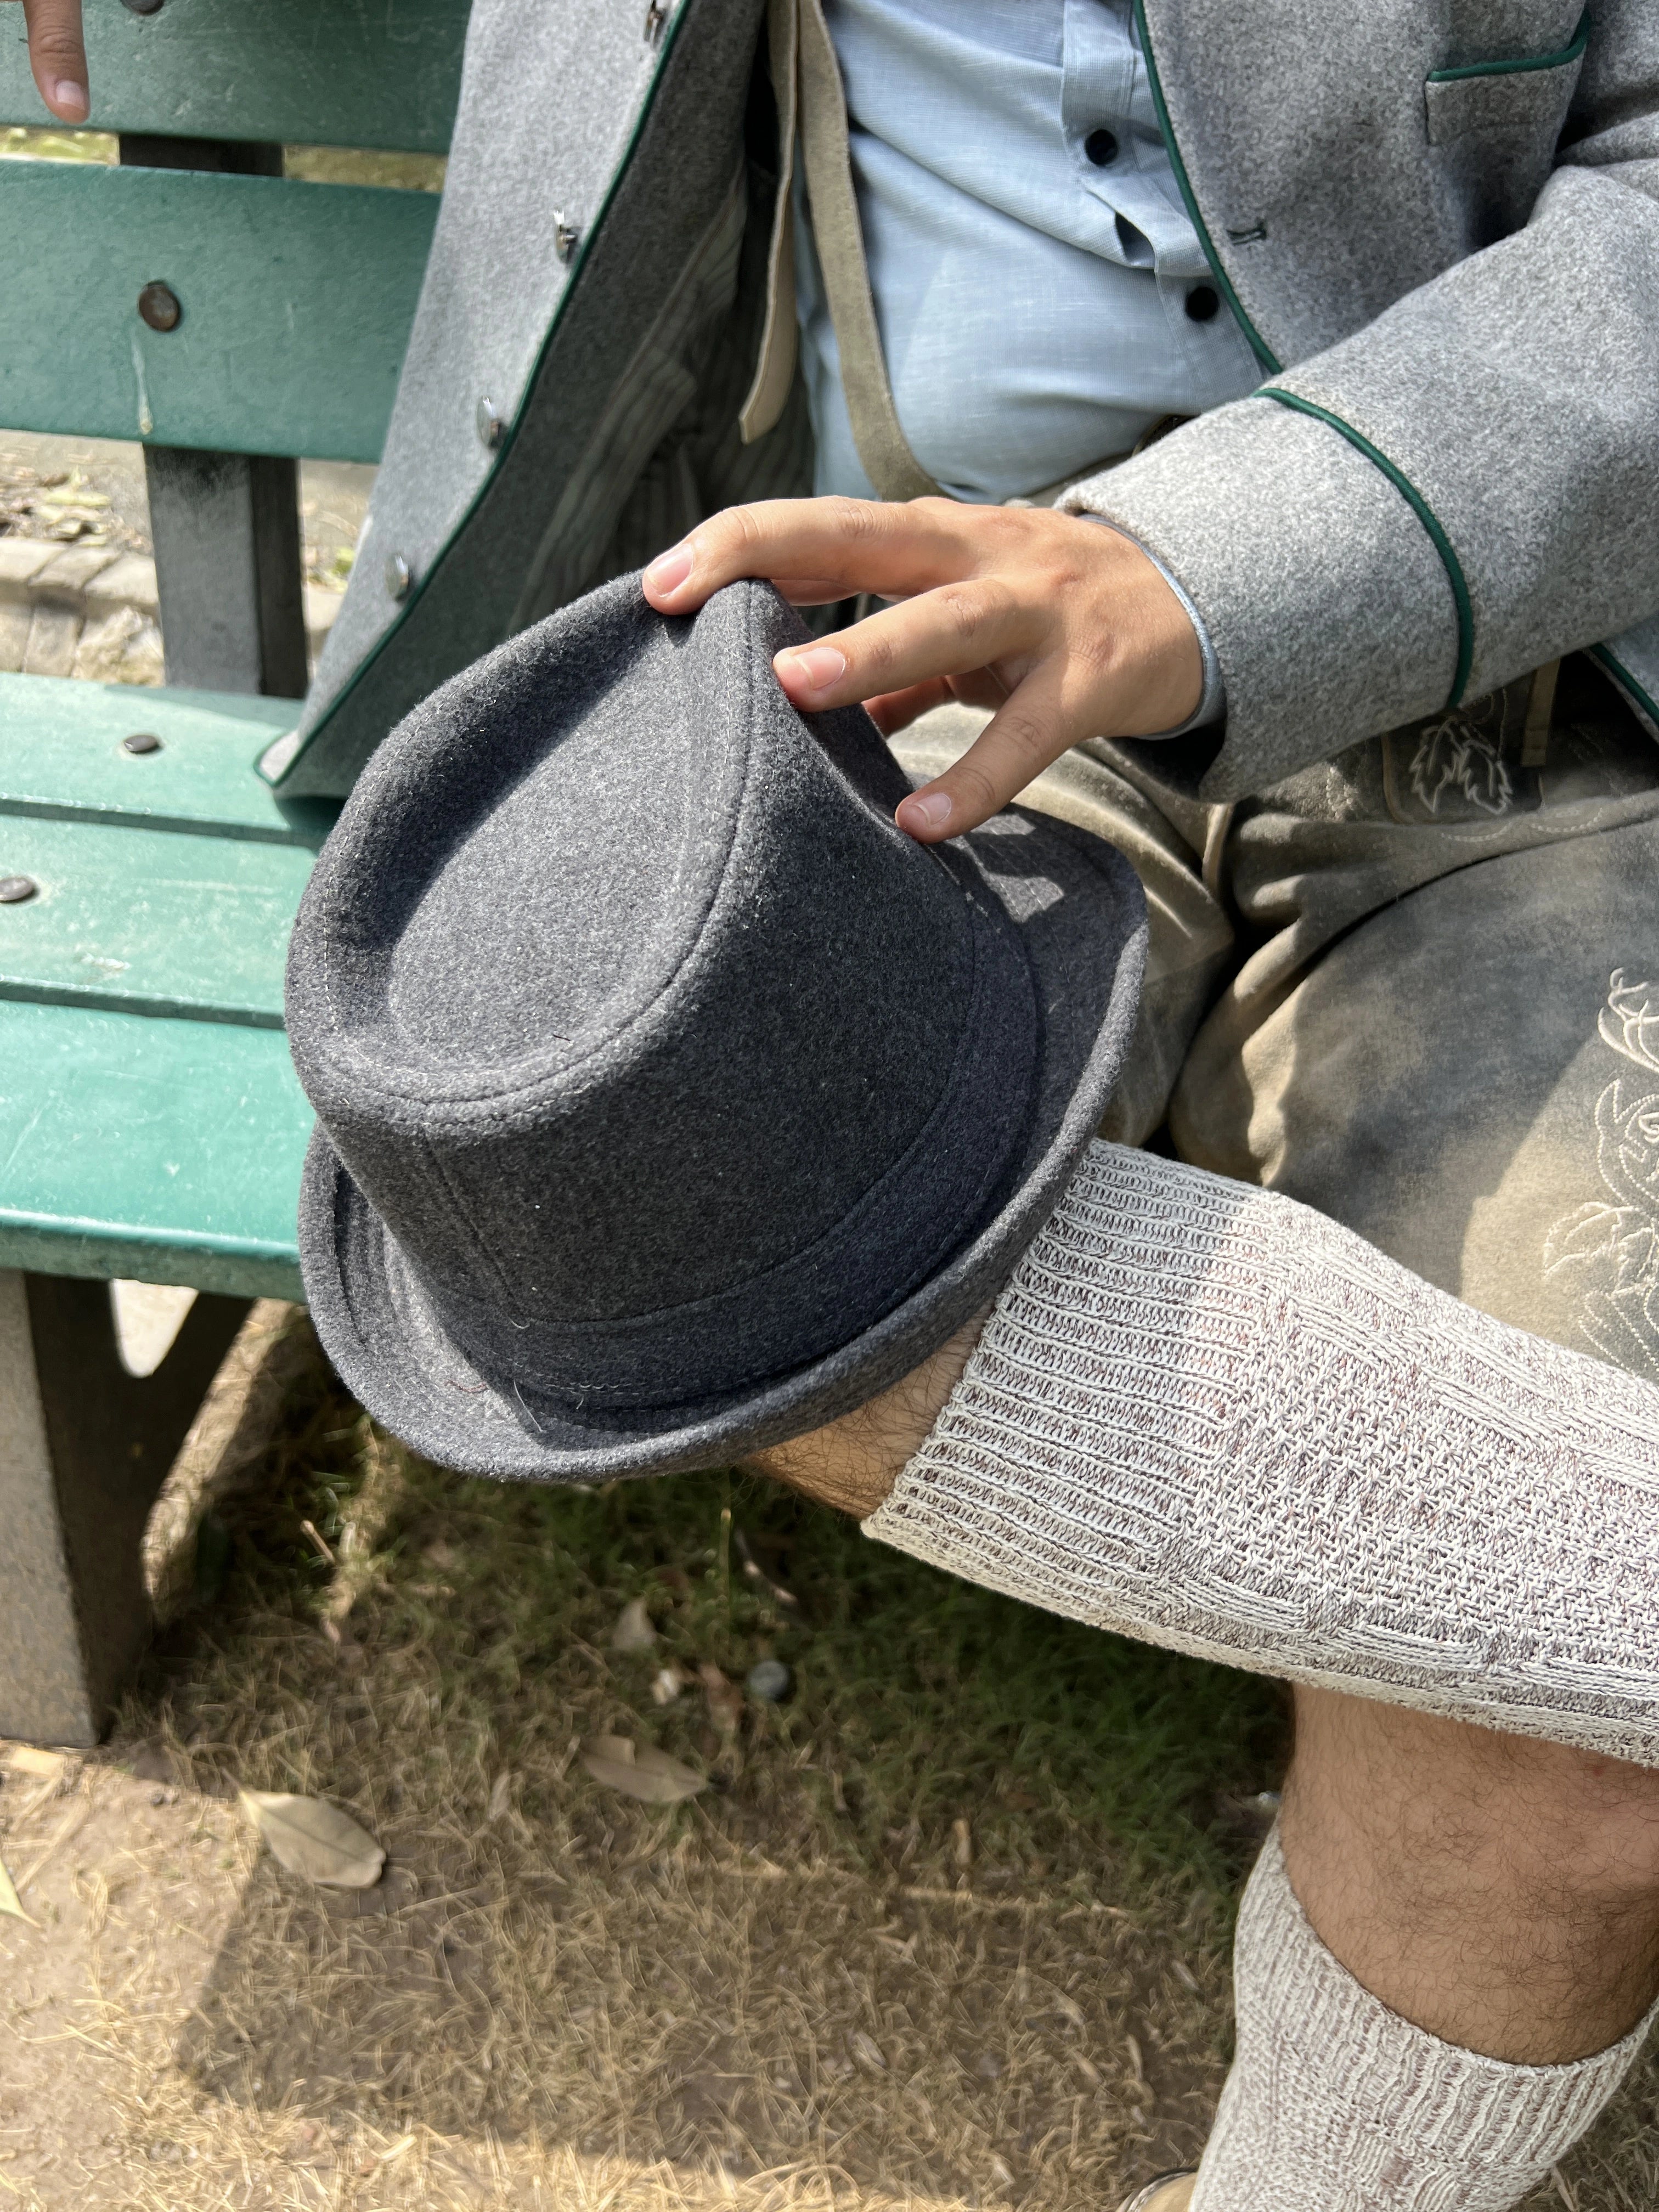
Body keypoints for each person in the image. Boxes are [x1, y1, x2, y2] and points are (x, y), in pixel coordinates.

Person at [24, 0, 1659, 2202]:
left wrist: (1214, 559)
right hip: (883, 662)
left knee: (1569, 1766)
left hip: (1530, 674)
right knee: (630, 1223)